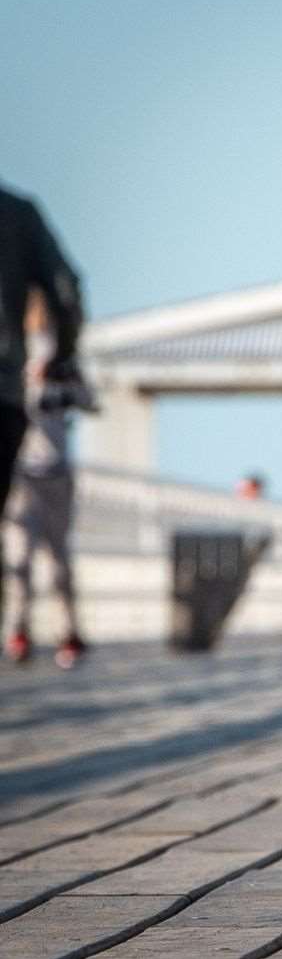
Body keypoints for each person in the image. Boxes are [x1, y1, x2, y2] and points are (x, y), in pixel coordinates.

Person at [0, 184, 83, 644]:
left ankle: (55, 630)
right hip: (13, 422)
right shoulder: (17, 214)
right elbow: (69, 290)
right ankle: (22, 629)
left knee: (39, 554)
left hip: (44, 467)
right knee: (28, 552)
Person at [5, 291, 90, 666]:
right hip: (23, 473)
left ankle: (67, 633)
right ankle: (18, 631)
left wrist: (62, 380)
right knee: (19, 557)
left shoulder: (65, 361)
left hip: (57, 473)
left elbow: (89, 400)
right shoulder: (11, 357)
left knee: (58, 559)